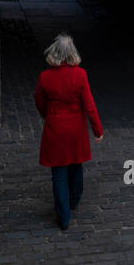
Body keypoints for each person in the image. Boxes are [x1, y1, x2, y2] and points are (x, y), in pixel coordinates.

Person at [35, 33, 103, 230]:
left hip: (55, 128)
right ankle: (74, 200)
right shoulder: (80, 75)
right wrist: (97, 130)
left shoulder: (45, 77)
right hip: (75, 129)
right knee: (76, 165)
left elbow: (40, 102)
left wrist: (48, 115)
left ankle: (63, 216)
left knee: (59, 172)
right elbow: (89, 105)